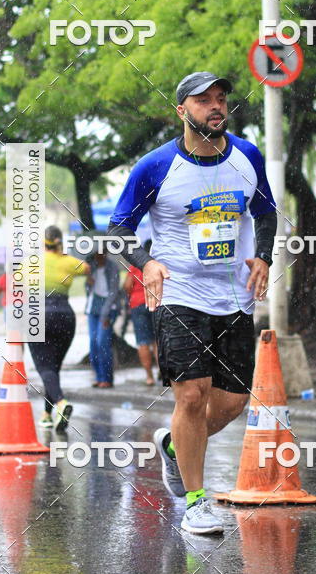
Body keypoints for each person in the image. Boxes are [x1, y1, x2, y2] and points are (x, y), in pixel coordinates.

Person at [108, 71, 277, 535]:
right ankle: (196, 502)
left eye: (220, 98)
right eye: (204, 100)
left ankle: (172, 446)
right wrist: (147, 263)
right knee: (191, 394)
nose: (216, 106)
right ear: (182, 110)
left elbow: (265, 211)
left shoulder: (247, 156)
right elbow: (119, 229)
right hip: (179, 293)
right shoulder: (156, 167)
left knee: (231, 403)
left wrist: (263, 256)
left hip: (234, 295)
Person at [29, 226, 90, 431]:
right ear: (59, 242)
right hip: (65, 316)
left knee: (45, 367)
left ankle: (61, 403)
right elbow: (86, 268)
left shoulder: (32, 263)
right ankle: (47, 414)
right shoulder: (67, 261)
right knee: (53, 368)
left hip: (38, 314)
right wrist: (63, 255)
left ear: (42, 243)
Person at [122, 238, 157, 386]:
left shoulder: (137, 264)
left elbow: (127, 285)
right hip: (155, 303)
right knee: (157, 341)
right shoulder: (158, 264)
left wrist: (132, 294)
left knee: (143, 342)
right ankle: (163, 373)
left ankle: (149, 377)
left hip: (137, 305)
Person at [85, 251, 119, 388]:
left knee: (102, 342)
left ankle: (106, 378)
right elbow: (88, 289)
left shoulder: (112, 267)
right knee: (93, 343)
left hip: (108, 308)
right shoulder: (91, 267)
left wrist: (105, 314)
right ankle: (98, 376)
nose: (99, 256)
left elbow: (113, 292)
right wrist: (88, 279)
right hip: (92, 308)